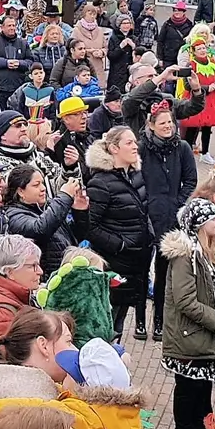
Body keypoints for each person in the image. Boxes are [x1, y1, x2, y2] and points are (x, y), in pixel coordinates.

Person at [158, 197, 215, 429]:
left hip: (205, 334)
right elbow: (185, 301)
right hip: (188, 336)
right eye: (212, 219)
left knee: (202, 389)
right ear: (199, 224)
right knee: (188, 389)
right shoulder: (185, 255)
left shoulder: (211, 251)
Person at [85, 127, 154, 339]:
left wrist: (148, 237)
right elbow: (90, 226)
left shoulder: (135, 175)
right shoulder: (100, 182)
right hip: (115, 266)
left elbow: (142, 211)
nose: (135, 146)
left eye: (135, 142)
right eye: (129, 143)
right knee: (109, 325)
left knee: (119, 323)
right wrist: (120, 244)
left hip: (136, 264)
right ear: (114, 148)